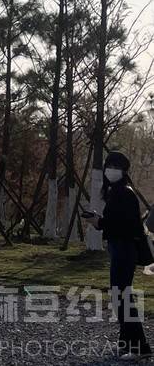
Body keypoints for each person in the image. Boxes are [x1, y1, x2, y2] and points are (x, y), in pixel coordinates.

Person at [84, 151, 151, 360]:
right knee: (121, 295)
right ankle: (126, 342)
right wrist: (101, 221)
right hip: (120, 249)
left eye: (115, 166)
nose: (110, 170)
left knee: (121, 297)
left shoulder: (124, 193)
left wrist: (99, 223)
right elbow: (118, 222)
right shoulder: (118, 191)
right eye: (109, 165)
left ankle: (140, 347)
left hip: (124, 249)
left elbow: (124, 226)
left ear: (123, 171)